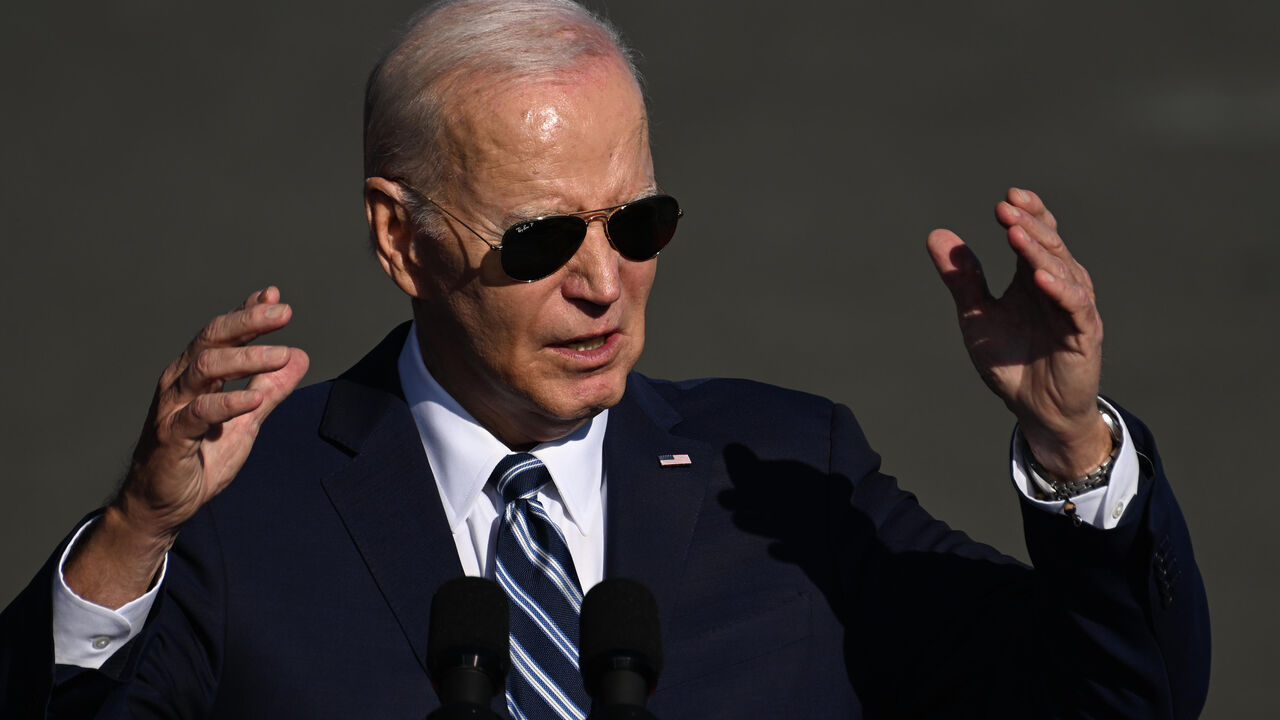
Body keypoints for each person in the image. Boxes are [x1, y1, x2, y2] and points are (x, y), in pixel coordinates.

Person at [0, 0, 1209, 718]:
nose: (602, 281)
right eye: (540, 238)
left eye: (636, 224)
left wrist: (1070, 447)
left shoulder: (781, 473)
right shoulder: (237, 511)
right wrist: (128, 545)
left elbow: (1117, 701)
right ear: (399, 236)